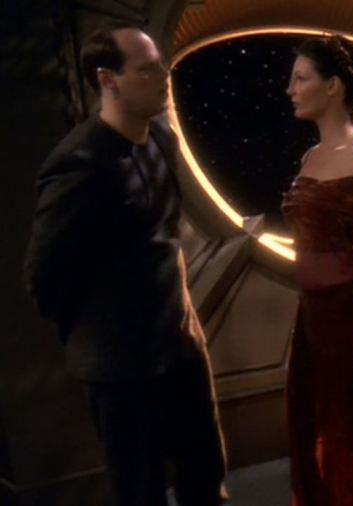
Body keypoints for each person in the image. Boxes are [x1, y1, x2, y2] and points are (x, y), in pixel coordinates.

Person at [23, 22, 227, 506]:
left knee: (204, 478)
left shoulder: (160, 140)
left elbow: (164, 235)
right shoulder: (81, 162)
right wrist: (98, 333)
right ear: (107, 80)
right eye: (147, 69)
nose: (163, 77)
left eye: (161, 65)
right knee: (141, 491)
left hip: (179, 345)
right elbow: (43, 274)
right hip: (119, 367)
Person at [281, 34, 353, 506]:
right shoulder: (311, 157)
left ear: (333, 87)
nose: (290, 89)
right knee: (318, 435)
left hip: (351, 320)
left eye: (300, 78)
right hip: (314, 320)